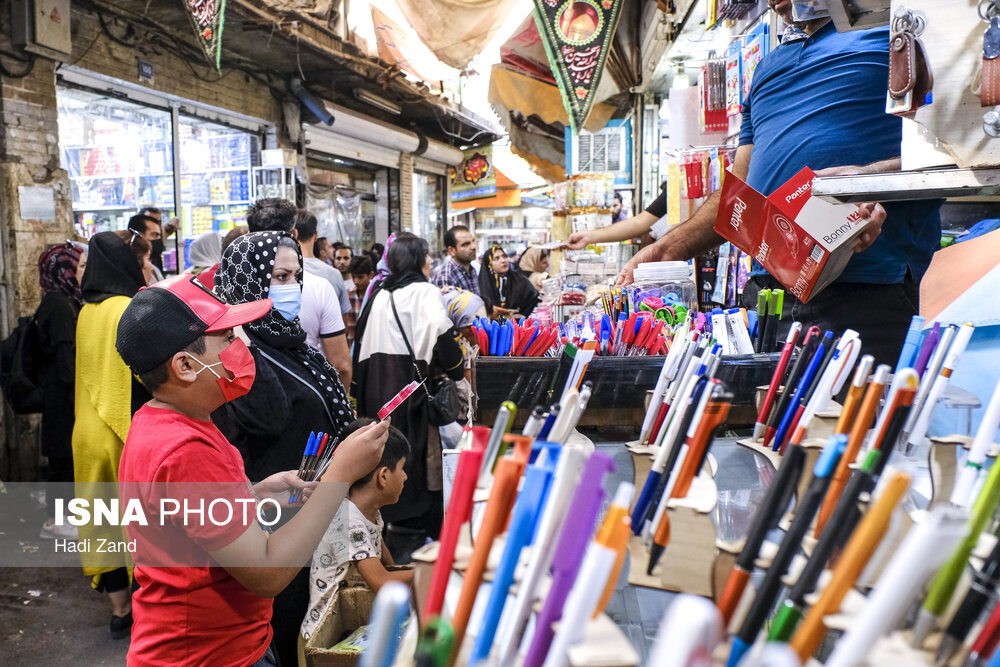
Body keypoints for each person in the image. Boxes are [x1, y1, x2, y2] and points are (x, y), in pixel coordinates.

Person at [114, 273, 389, 666]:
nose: (241, 346)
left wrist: (253, 492)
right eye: (227, 339)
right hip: (208, 655)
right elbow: (267, 572)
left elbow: (183, 515)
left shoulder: (158, 422)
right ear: (186, 366)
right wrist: (339, 474)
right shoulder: (187, 448)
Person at [213, 231, 359, 665]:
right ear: (249, 281)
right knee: (290, 627)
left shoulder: (293, 345)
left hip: (314, 515)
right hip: (277, 524)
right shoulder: (236, 354)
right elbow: (271, 418)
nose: (291, 286)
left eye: (296, 275)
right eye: (279, 276)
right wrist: (239, 332)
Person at [352, 234, 465, 556]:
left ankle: (389, 527)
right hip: (412, 394)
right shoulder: (425, 292)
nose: (430, 263)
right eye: (427, 257)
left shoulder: (378, 293)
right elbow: (442, 338)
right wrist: (457, 372)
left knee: (386, 457)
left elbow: (359, 344)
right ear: (417, 260)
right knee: (416, 463)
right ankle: (419, 542)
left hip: (377, 394)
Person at [71, 230, 152, 639]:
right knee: (138, 522)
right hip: (123, 430)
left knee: (100, 520)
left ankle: (120, 612)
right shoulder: (129, 308)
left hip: (86, 432)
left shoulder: (86, 311)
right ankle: (148, 611)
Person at [300, 418, 413, 658]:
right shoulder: (348, 519)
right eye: (402, 468)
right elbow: (381, 582)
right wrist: (427, 572)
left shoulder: (370, 513)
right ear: (383, 476)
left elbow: (387, 564)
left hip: (346, 627)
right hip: (322, 641)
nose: (405, 477)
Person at [35, 242, 85, 540]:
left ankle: (58, 519)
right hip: (61, 400)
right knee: (62, 461)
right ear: (63, 271)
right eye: (78, 267)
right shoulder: (58, 305)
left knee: (64, 461)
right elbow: (66, 362)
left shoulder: (60, 300)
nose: (82, 272)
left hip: (60, 397)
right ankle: (55, 522)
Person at [293, 211, 353, 376]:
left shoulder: (278, 274)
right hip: (324, 370)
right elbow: (344, 325)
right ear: (316, 235)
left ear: (292, 234)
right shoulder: (332, 274)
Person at [479, 245, 540, 319]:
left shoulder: (519, 279)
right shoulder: (482, 284)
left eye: (504, 256)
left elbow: (533, 299)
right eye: (496, 258)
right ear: (489, 265)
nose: (503, 260)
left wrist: (523, 315)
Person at [431, 225, 479, 294]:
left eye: (473, 241)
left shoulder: (472, 270)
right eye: (465, 244)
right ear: (451, 251)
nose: (473, 247)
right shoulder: (445, 276)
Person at [128, 213, 165, 283]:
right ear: (139, 236)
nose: (158, 239)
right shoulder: (133, 272)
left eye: (159, 235)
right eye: (154, 235)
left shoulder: (154, 269)